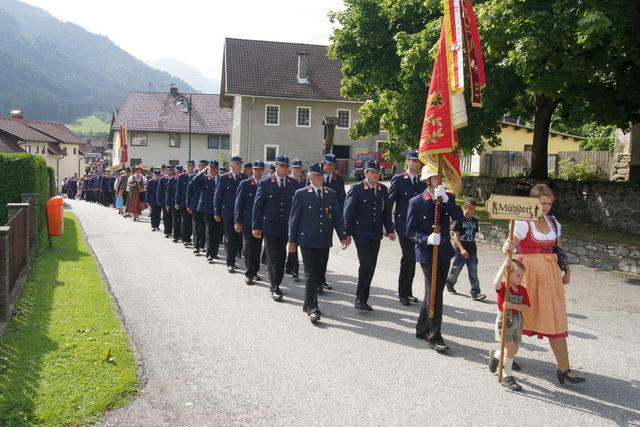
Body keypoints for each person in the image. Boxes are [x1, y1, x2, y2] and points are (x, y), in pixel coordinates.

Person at [502, 183, 585, 384]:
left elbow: (559, 250)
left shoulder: (553, 222)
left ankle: (564, 369)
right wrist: (507, 245)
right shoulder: (522, 222)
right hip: (527, 274)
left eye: (549, 203)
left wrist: (567, 271)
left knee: (554, 318)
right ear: (533, 202)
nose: (546, 207)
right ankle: (501, 357)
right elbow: (510, 245)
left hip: (550, 275)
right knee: (518, 318)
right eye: (542, 203)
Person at [406, 164, 463, 352]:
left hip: (445, 250)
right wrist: (426, 239)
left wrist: (447, 201)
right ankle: (434, 336)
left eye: (441, 177)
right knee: (434, 293)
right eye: (436, 177)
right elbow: (410, 231)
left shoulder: (447, 198)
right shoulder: (417, 202)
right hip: (427, 253)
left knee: (435, 291)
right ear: (428, 180)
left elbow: (460, 218)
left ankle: (422, 328)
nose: (440, 180)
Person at [288, 163, 350, 322]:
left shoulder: (330, 193)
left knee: (319, 272)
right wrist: (292, 241)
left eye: (321, 175)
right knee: (310, 275)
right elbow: (294, 219)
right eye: (316, 175)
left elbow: (337, 217)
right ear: (309, 176)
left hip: (323, 239)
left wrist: (343, 236)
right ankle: (313, 308)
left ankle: (307, 303)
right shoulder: (301, 193)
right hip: (307, 240)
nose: (320, 177)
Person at [343, 160, 395, 310]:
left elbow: (386, 213)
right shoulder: (357, 188)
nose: (375, 175)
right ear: (365, 173)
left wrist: (390, 230)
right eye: (372, 172)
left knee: (371, 265)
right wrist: (347, 233)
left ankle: (364, 299)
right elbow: (348, 213)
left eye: (377, 172)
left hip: (376, 233)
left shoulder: (383, 190)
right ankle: (360, 299)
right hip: (361, 233)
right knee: (366, 264)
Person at [252, 155, 298, 301]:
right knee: (273, 257)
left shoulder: (294, 184)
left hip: (286, 226)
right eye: (282, 165)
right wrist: (256, 226)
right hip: (270, 226)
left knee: (282, 256)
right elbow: (258, 206)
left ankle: (277, 281)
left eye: (286, 165)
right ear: (276, 166)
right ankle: (274, 286)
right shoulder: (266, 183)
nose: (285, 168)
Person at [389, 149, 427, 306]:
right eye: (413, 160)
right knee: (408, 257)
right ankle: (403, 292)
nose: (416, 163)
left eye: (418, 161)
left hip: (418, 226)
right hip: (403, 225)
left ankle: (408, 292)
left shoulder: (423, 181)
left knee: (413, 258)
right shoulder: (399, 179)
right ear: (407, 162)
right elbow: (390, 202)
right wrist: (389, 226)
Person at [489, 258, 530, 391]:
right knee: (510, 349)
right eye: (518, 275)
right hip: (505, 321)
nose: (521, 277)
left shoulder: (522, 290)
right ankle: (507, 376)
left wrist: (513, 305)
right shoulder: (504, 288)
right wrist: (504, 265)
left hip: (517, 322)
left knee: (514, 350)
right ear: (508, 275)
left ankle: (496, 355)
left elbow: (526, 307)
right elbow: (495, 283)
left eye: (522, 275)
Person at [446, 197, 486, 301]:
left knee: (473, 273)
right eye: (470, 209)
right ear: (465, 208)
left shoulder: (475, 221)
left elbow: (472, 235)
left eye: (473, 209)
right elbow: (455, 236)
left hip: (472, 251)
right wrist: (462, 249)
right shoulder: (459, 220)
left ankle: (475, 293)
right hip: (460, 251)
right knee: (456, 270)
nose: (472, 211)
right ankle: (449, 284)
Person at [235, 160, 265, 285]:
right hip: (247, 220)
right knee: (248, 246)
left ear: (263, 170)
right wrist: (237, 221)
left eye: (260, 169)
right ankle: (249, 272)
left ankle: (255, 270)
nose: (258, 172)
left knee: (258, 247)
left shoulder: (265, 184)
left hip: (261, 222)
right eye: (256, 169)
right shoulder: (245, 184)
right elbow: (239, 203)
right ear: (252, 170)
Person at [215, 156, 244, 272]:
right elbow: (217, 196)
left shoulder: (243, 178)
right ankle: (230, 262)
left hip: (240, 213)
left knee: (237, 238)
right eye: (237, 164)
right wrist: (216, 212)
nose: (240, 166)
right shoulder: (223, 178)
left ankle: (234, 258)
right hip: (227, 213)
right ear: (231, 165)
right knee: (230, 238)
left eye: (240, 164)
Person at [192, 161, 221, 262]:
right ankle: (209, 254)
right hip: (207, 208)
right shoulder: (204, 178)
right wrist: (202, 171)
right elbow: (193, 182)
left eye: (214, 168)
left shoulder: (221, 178)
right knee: (209, 230)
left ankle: (215, 253)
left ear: (217, 168)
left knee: (217, 232)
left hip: (218, 209)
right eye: (210, 168)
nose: (212, 170)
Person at [285, 158, 306, 279]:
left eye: (299, 167)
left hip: (302, 215)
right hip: (289, 214)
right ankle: (294, 268)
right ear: (291, 168)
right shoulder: (288, 181)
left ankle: (290, 266)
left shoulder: (305, 181)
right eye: (295, 167)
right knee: (292, 240)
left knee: (296, 240)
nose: (297, 170)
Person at [189, 160, 209, 254]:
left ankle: (202, 245)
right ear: (199, 166)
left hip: (204, 205)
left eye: (205, 166)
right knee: (196, 225)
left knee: (203, 226)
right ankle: (196, 246)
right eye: (202, 166)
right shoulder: (194, 176)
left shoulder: (208, 178)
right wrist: (188, 204)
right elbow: (190, 188)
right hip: (195, 204)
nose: (204, 167)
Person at [176, 161, 195, 246]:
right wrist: (177, 202)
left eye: (191, 166)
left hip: (193, 203)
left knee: (191, 221)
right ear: (186, 167)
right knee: (184, 221)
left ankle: (189, 238)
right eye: (188, 166)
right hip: (183, 202)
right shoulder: (181, 176)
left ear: (194, 167)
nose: (190, 167)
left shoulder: (196, 176)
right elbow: (178, 190)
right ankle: (185, 239)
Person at [158, 166, 174, 238]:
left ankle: (172, 230)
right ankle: (167, 231)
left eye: (171, 170)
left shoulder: (175, 178)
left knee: (172, 217)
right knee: (166, 216)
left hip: (173, 201)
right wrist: (159, 200)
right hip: (164, 201)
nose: (170, 171)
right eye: (168, 170)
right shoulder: (162, 179)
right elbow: (159, 190)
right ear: (166, 170)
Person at [167, 166, 182, 241]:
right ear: (175, 172)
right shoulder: (171, 180)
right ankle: (176, 235)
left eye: (180, 172)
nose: (178, 173)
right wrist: (167, 203)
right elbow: (168, 192)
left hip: (182, 202)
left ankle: (181, 235)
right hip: (173, 202)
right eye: (177, 171)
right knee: (175, 219)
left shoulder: (184, 179)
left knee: (182, 220)